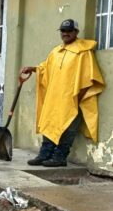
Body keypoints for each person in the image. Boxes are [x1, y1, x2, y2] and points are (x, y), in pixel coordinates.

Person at [21, 19, 105, 167]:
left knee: (68, 128)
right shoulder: (56, 52)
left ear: (76, 32)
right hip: (55, 97)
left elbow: (90, 77)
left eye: (69, 31)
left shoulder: (83, 53)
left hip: (73, 99)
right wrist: (33, 69)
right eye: (63, 31)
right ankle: (44, 154)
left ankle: (60, 157)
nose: (65, 34)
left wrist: (78, 97)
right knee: (49, 123)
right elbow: (46, 68)